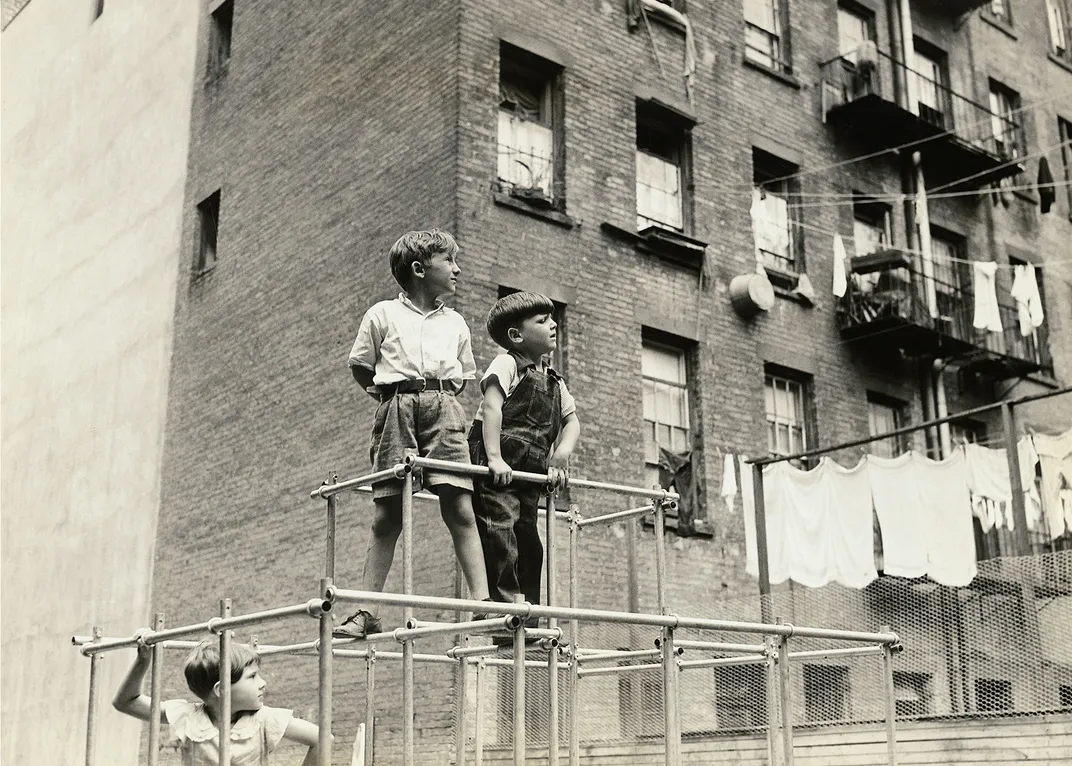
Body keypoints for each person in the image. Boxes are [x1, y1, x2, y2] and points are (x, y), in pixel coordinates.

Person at [334, 229, 492, 640]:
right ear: (420, 269)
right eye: (449, 262)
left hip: (443, 408)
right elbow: (360, 366)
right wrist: (389, 398)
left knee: (459, 505)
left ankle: (482, 604)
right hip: (396, 409)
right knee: (387, 514)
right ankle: (367, 609)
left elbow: (463, 375)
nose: (457, 269)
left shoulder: (456, 322)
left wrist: (438, 400)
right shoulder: (382, 314)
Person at [467, 292, 580, 632]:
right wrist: (494, 458)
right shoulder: (507, 364)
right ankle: (503, 613)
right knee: (500, 531)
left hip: (529, 475)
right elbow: (492, 407)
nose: (553, 325)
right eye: (542, 321)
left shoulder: (556, 383)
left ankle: (528, 614)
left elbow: (573, 422)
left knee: (530, 542)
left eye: (552, 318)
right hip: (498, 471)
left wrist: (560, 456)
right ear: (516, 336)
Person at [112, 641, 323, 765]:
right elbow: (126, 702)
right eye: (252, 677)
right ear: (221, 689)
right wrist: (143, 662)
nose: (263, 683)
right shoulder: (189, 718)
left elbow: (322, 739)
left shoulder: (264, 719)